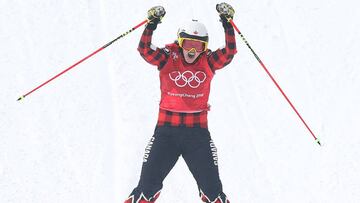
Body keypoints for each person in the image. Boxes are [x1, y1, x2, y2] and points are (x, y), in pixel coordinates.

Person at [124, 2, 237, 203]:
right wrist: (151, 25)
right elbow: (144, 49)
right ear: (179, 42)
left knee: (214, 194)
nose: (192, 51)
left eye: (198, 45)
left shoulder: (208, 61)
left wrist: (227, 24)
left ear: (204, 47)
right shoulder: (168, 57)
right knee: (145, 190)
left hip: (197, 136)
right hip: (166, 133)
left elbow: (228, 53)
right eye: (188, 44)